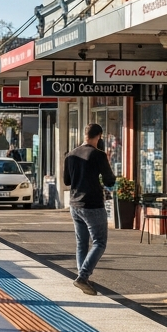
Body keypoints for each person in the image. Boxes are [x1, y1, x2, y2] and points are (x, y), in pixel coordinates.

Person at [61, 122, 116, 295]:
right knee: (99, 242)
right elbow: (109, 180)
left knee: (82, 243)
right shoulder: (99, 155)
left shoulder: (70, 155)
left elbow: (67, 181)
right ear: (99, 136)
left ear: (84, 135)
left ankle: (82, 277)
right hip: (92, 204)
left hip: (75, 204)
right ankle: (83, 277)